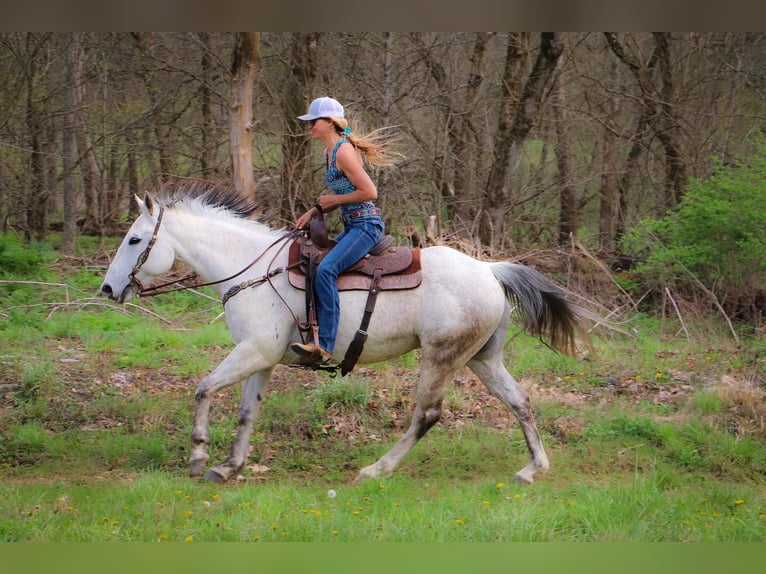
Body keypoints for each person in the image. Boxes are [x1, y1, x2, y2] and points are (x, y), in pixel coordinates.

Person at [291, 96, 399, 363]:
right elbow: (340, 193)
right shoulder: (329, 152)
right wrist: (313, 211)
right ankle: (312, 333)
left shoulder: (343, 151)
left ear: (329, 122)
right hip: (353, 224)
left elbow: (369, 191)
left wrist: (334, 201)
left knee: (327, 269)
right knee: (316, 265)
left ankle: (325, 346)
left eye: (313, 121)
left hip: (366, 225)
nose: (310, 126)